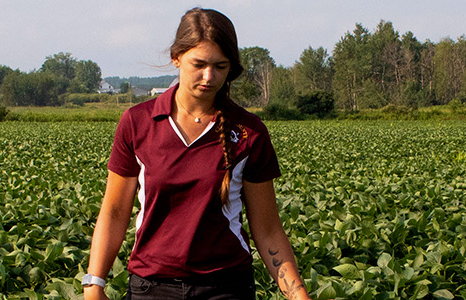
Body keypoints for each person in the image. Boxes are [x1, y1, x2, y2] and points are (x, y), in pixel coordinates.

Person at [82, 7, 311, 300]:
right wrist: (93, 284)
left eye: (220, 66)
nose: (209, 76)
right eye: (198, 64)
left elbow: (267, 229)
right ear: (176, 57)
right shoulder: (138, 123)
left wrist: (298, 295)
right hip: (151, 288)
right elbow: (114, 212)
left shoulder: (248, 131)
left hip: (226, 289)